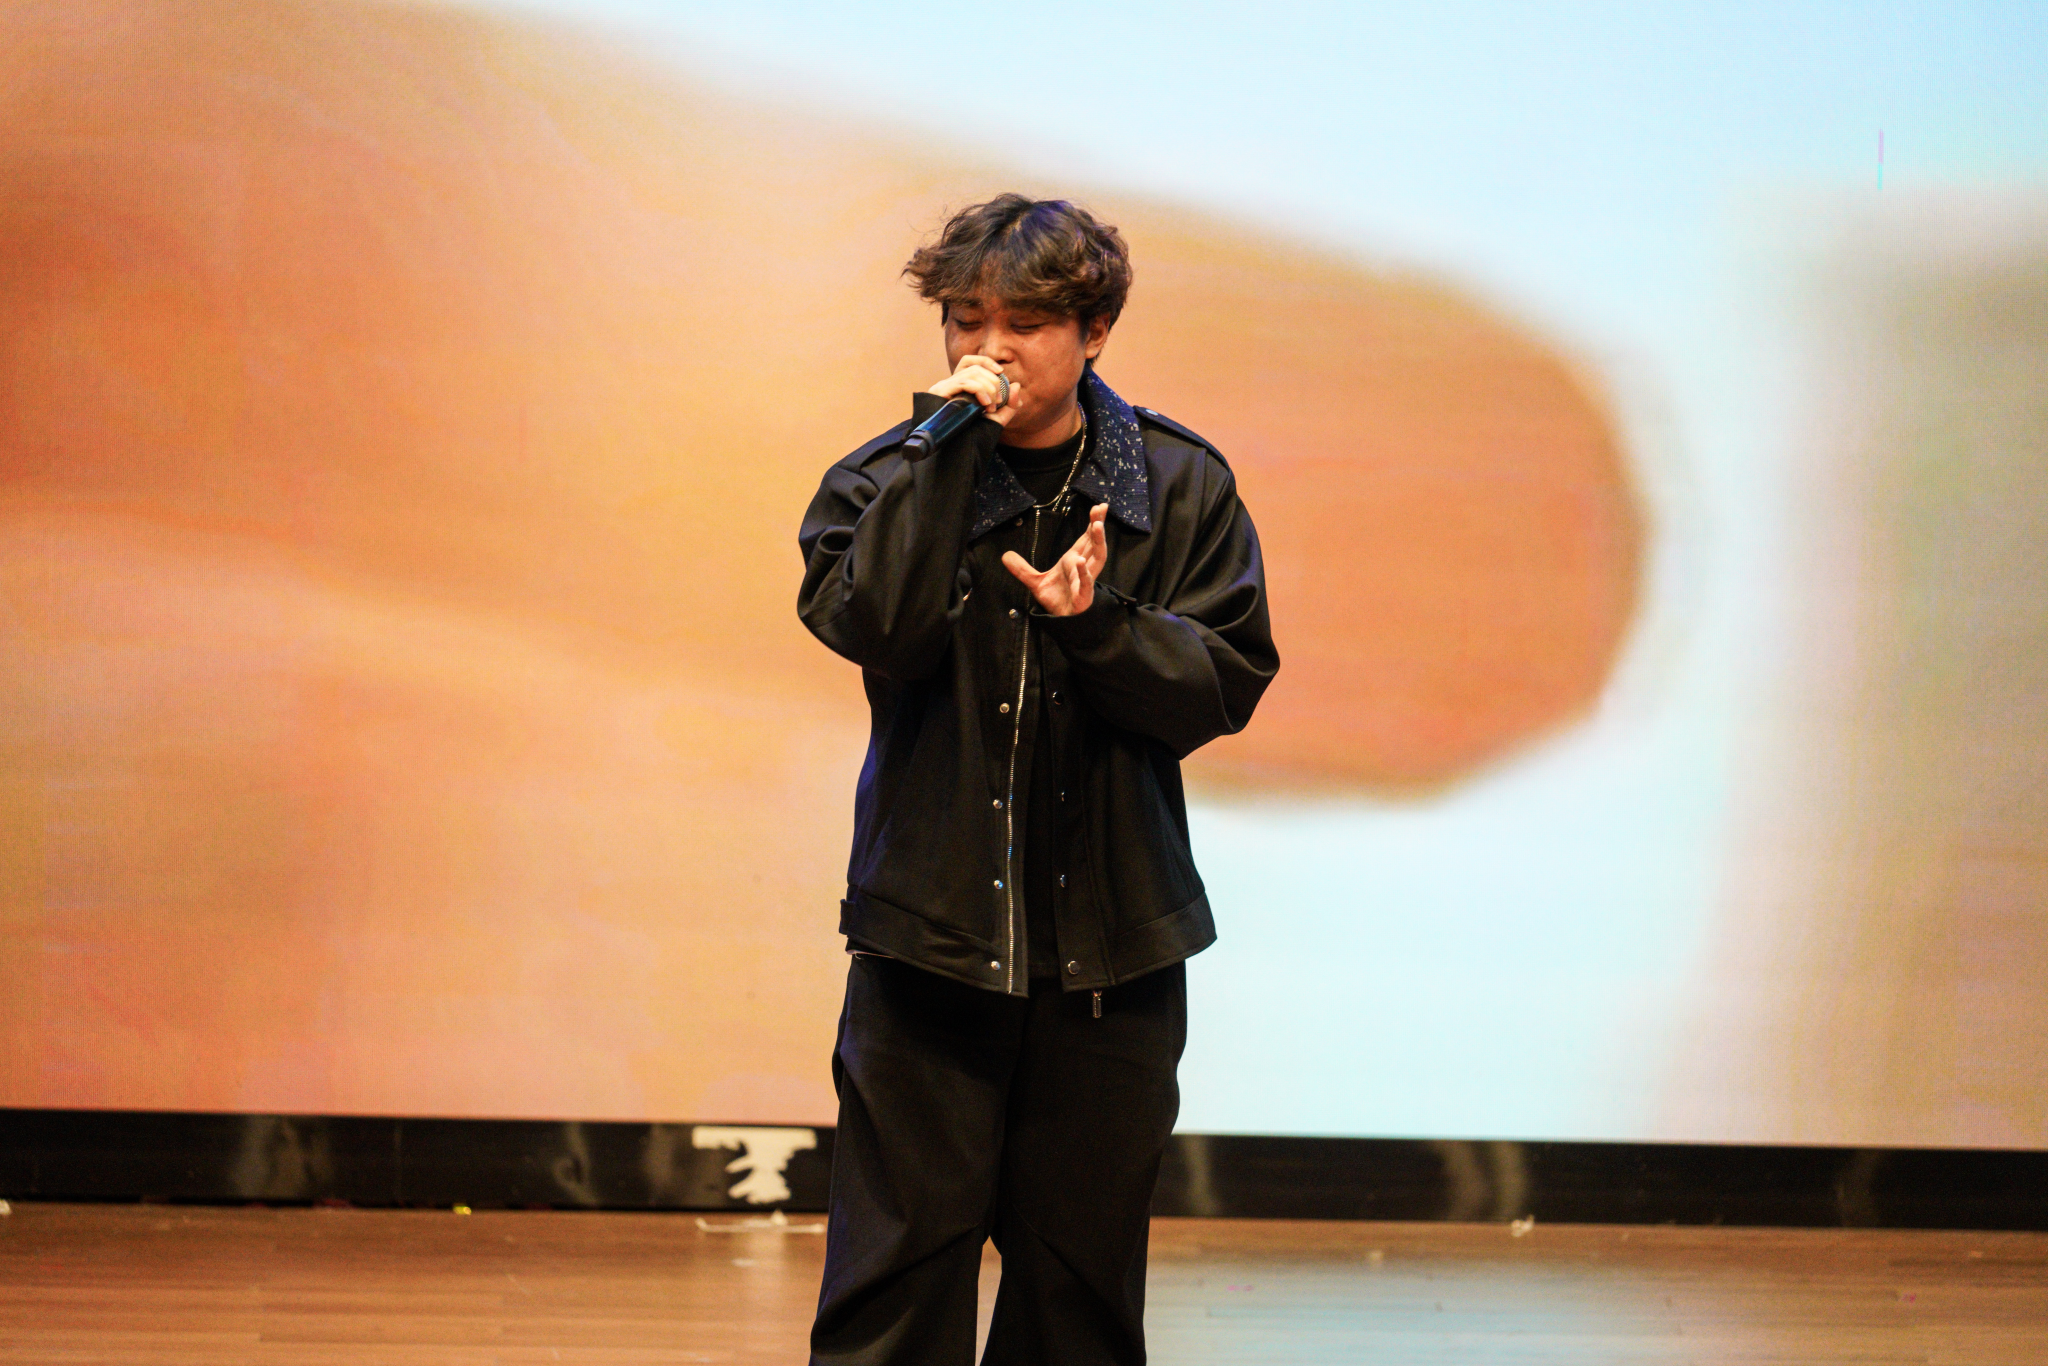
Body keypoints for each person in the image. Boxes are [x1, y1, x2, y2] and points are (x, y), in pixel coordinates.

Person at [797, 194, 1278, 1366]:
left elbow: (1218, 686)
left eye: (1021, 324)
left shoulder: (1178, 483)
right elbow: (875, 627)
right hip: (928, 947)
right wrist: (937, 462)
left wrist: (1096, 624)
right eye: (966, 321)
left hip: (1110, 959)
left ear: (1093, 330)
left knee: (1078, 1297)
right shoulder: (885, 479)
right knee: (889, 1285)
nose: (987, 349)